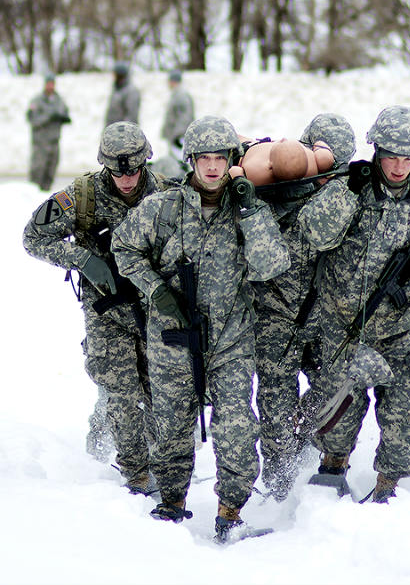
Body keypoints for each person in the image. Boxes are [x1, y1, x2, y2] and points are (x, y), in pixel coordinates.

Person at [111, 115, 289, 542]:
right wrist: (157, 292)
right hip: (173, 335)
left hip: (230, 336)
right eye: (203, 158)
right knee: (172, 427)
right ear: (190, 160)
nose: (211, 167)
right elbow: (124, 247)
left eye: (219, 158)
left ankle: (231, 511)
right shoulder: (162, 207)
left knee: (236, 428)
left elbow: (271, 265)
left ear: (231, 160)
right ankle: (171, 506)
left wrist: (249, 211)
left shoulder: (247, 208)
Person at [296, 105, 410, 503]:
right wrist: (346, 191)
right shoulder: (351, 185)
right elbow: (315, 234)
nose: (399, 167)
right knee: (337, 414)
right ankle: (331, 473)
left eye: (408, 158)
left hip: (403, 328)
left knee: (402, 420)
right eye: (391, 156)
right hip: (346, 327)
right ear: (376, 151)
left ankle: (388, 489)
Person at [22, 121, 171, 495]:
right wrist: (83, 259)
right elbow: (33, 236)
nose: (125, 180)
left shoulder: (167, 193)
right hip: (106, 311)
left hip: (154, 309)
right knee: (121, 391)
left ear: (145, 163)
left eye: (133, 171)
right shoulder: (83, 196)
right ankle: (136, 473)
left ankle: (157, 460)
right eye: (117, 172)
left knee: (157, 391)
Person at [248, 113, 357, 501]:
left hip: (322, 320)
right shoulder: (273, 187)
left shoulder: (345, 200)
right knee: (275, 409)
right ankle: (278, 491)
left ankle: (305, 442)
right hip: (274, 320)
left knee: (334, 390)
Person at [25, 74, 71, 191]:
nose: (50, 86)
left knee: (51, 170)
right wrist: (48, 117)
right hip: (41, 142)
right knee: (38, 170)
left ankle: (45, 193)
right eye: (48, 83)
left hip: (54, 141)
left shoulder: (59, 100)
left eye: (52, 84)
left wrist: (63, 118)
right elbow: (33, 120)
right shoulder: (37, 101)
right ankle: (33, 193)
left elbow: (65, 113)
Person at [160, 70, 194, 159]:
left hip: (179, 136)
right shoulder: (176, 94)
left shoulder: (181, 95)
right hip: (175, 134)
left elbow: (185, 116)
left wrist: (178, 134)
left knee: (179, 159)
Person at [105, 61, 141, 126]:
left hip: (124, 133)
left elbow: (132, 115)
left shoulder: (131, 91)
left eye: (119, 76)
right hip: (113, 132)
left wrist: (124, 132)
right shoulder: (117, 91)